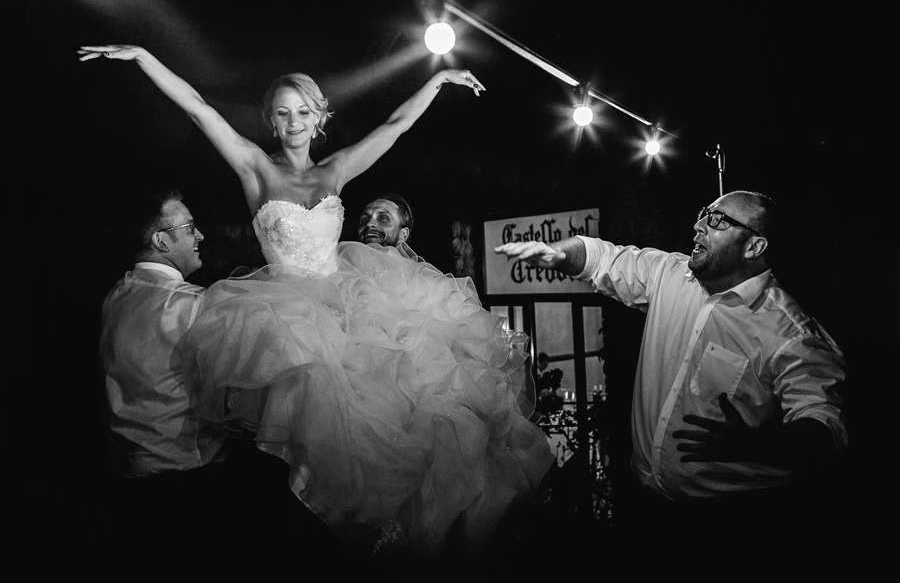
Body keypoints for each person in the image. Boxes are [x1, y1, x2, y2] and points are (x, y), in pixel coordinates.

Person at [80, 44, 552, 566]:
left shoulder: (335, 172)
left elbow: (394, 126)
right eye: (282, 113)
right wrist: (145, 58)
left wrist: (437, 80)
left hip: (349, 309)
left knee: (410, 422)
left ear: (319, 117)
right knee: (313, 447)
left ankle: (393, 545)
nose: (293, 122)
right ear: (271, 122)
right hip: (288, 321)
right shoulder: (255, 168)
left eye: (303, 111)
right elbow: (198, 106)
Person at [495, 191, 847, 533]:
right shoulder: (670, 274)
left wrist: (758, 444)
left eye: (718, 220)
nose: (699, 225)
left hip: (736, 516)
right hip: (645, 504)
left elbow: (825, 425)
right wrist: (555, 254)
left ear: (754, 246)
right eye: (703, 214)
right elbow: (600, 257)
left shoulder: (791, 333)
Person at [98, 189, 229, 536]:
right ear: (160, 241)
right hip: (184, 476)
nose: (199, 235)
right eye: (189, 228)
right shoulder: (193, 303)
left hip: (125, 469)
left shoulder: (116, 293)